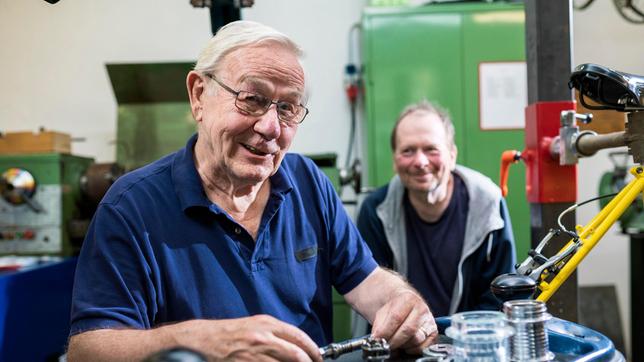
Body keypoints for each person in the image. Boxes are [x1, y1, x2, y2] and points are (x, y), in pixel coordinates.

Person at [67, 21, 437, 362]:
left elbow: (366, 279)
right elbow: (88, 349)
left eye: (288, 108)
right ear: (199, 95)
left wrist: (400, 300)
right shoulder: (131, 207)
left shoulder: (308, 182)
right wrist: (198, 341)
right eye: (252, 99)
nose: (270, 127)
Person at [357, 101, 516, 318]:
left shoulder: (488, 204)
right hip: (403, 341)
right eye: (408, 151)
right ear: (395, 161)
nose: (420, 161)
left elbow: (501, 295)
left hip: (473, 342)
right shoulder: (376, 211)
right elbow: (370, 293)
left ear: (452, 155)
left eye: (431, 149)